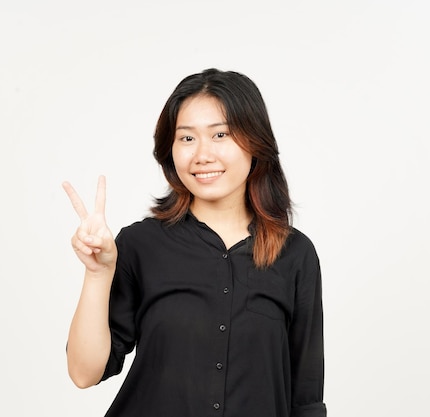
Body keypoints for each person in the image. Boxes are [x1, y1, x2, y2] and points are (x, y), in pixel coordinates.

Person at [62, 68, 326, 417]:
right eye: (187, 138)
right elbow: (84, 373)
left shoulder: (295, 255)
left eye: (220, 134)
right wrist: (97, 274)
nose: (202, 155)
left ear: (255, 142)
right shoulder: (141, 244)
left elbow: (305, 399)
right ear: (169, 149)